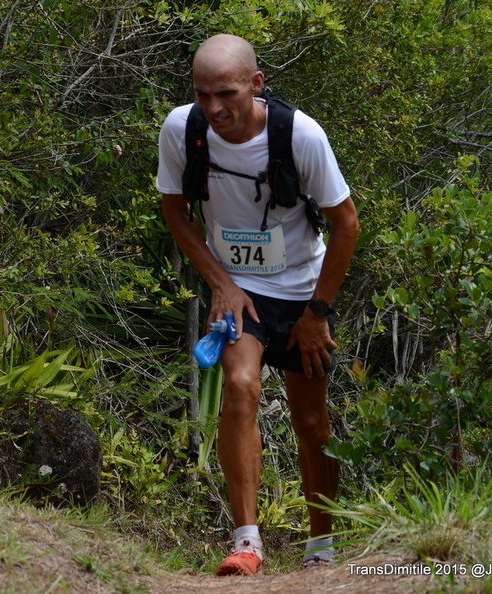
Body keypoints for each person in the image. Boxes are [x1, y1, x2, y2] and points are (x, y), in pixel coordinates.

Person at [156, 33, 359, 576]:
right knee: (242, 386)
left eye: (226, 93)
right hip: (237, 287)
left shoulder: (300, 135)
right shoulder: (182, 129)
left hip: (300, 290)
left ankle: (322, 547)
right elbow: (175, 210)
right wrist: (221, 283)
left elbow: (346, 225)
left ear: (256, 84)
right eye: (202, 94)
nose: (213, 108)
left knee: (310, 420)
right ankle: (246, 543)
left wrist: (317, 313)